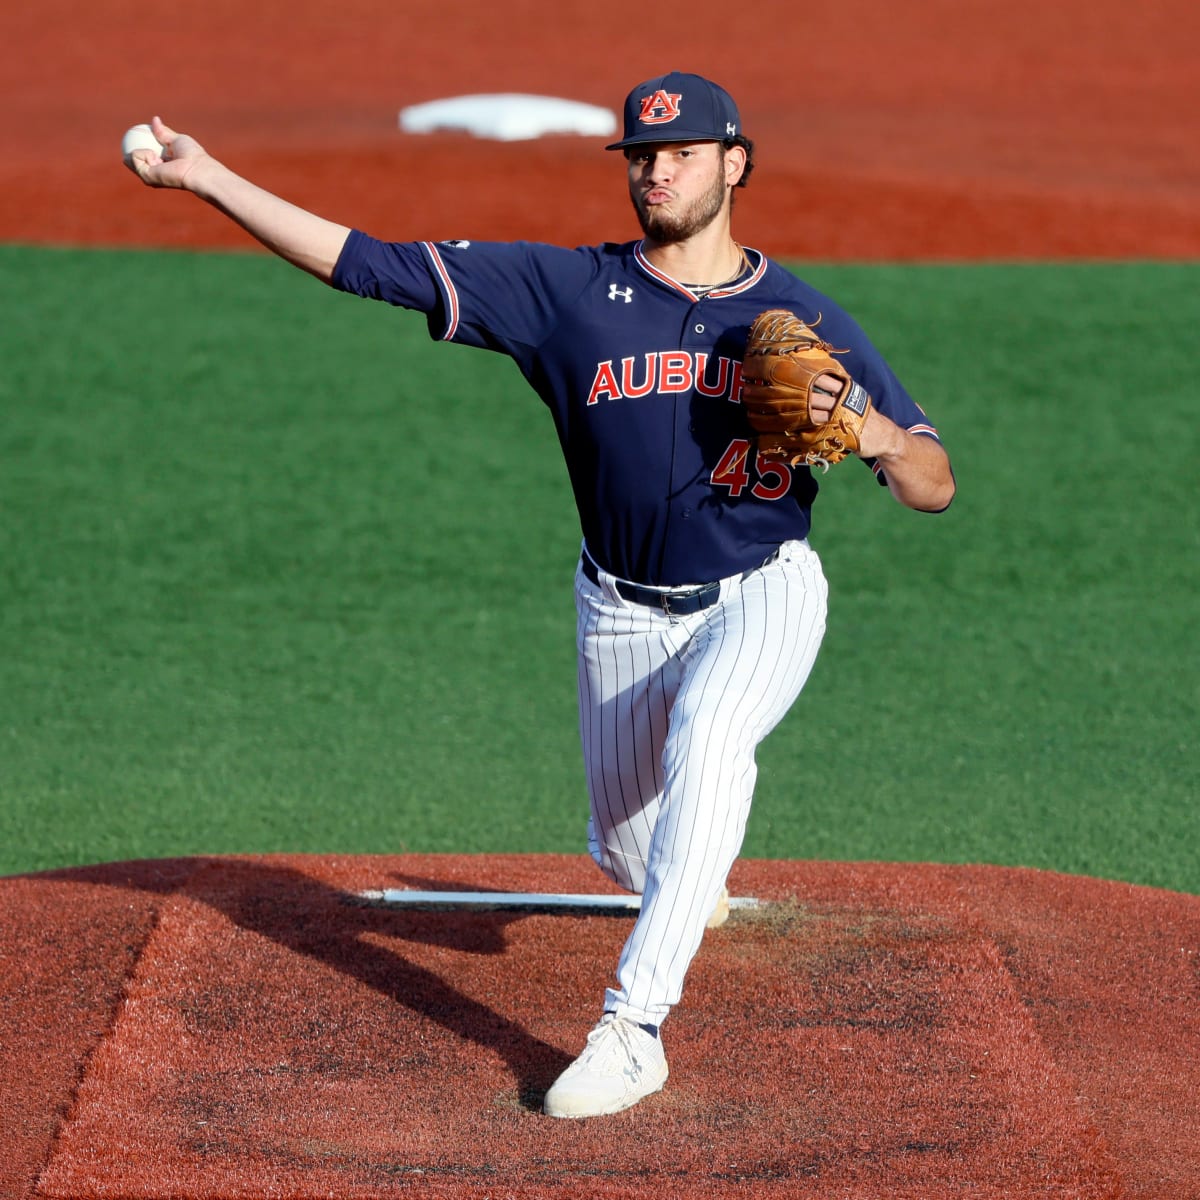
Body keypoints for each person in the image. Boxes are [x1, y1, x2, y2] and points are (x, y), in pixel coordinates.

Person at [126, 70, 955, 1120]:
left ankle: (634, 1028)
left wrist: (874, 434)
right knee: (628, 851)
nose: (657, 172)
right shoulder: (567, 295)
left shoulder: (803, 313)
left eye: (682, 153)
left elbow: (935, 484)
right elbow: (369, 264)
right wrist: (210, 180)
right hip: (618, 609)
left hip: (762, 587)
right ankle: (688, 879)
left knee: (712, 736)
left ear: (735, 163)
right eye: (642, 156)